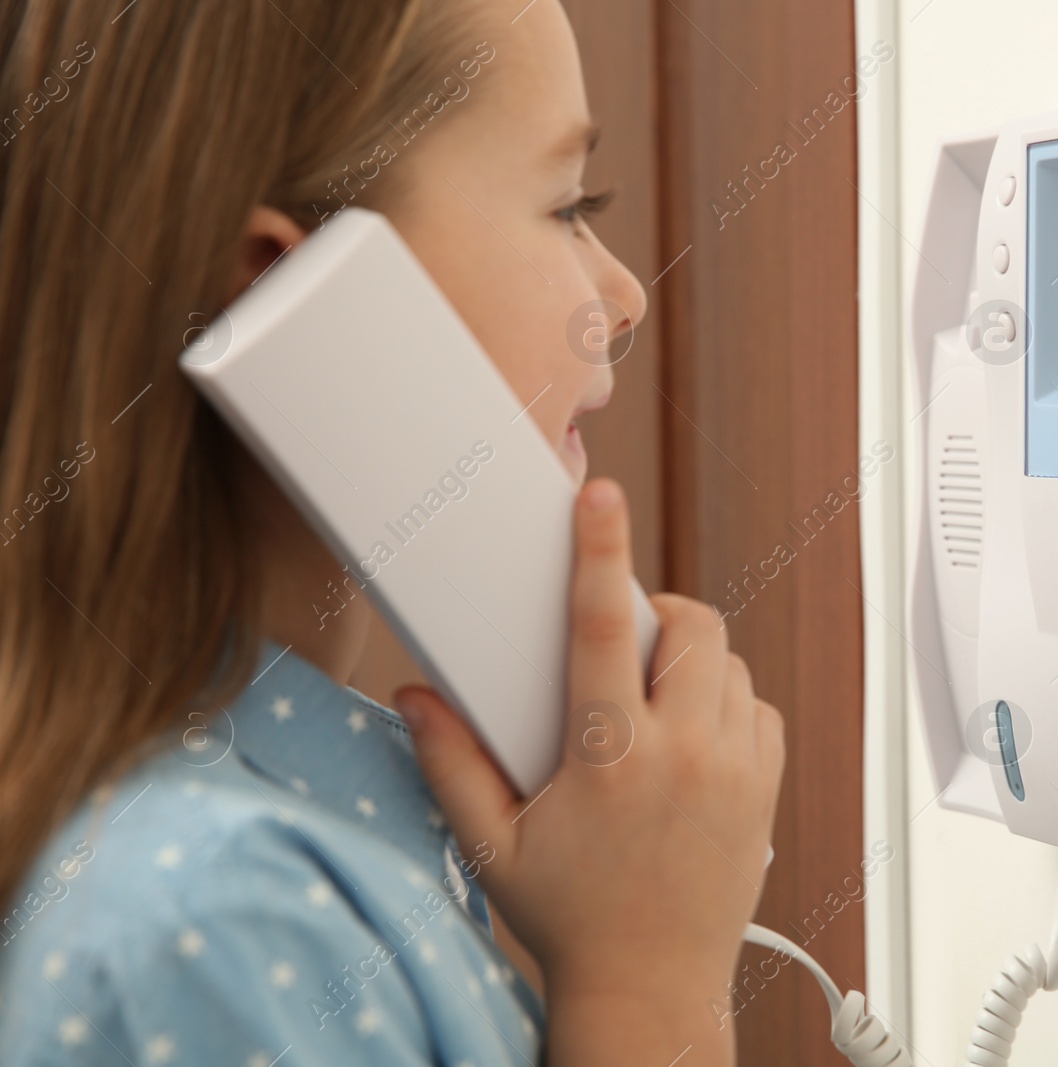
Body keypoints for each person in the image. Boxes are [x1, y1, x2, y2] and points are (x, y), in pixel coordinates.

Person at [0, 1, 784, 1063]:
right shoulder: (203, 927)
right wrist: (649, 983)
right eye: (567, 204)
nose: (627, 295)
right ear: (288, 291)